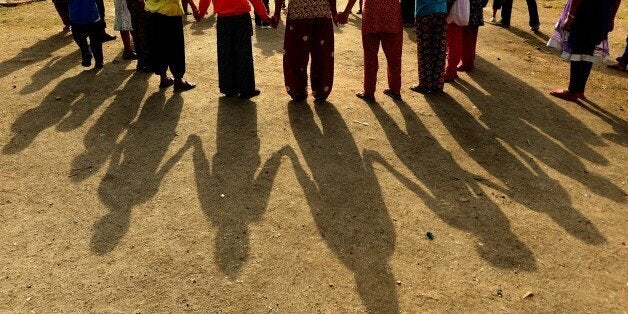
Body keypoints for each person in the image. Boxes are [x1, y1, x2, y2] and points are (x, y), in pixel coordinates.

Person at [196, 0, 273, 98]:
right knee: (244, 53)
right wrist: (264, 16)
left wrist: (201, 12)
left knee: (225, 54)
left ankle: (228, 88)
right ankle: (246, 89)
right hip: (241, 16)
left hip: (223, 19)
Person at [547, 0, 621, 101]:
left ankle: (572, 91)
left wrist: (570, 16)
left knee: (578, 49)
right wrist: (611, 18)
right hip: (602, 14)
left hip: (584, 13)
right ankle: (579, 90)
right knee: (588, 51)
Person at [272, 0, 337, 102]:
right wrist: (334, 12)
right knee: (322, 55)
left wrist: (276, 13)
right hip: (321, 12)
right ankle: (321, 91)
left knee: (296, 54)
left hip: (298, 12)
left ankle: (298, 91)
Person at [338, 0, 403, 101]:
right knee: (394, 55)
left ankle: (369, 92)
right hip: (392, 15)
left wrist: (346, 12)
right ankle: (395, 90)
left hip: (371, 15)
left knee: (370, 56)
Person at [145, 0, 197, 91]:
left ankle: (163, 78)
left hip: (152, 11)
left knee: (158, 46)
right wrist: (194, 7)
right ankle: (178, 80)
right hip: (170, 11)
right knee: (175, 47)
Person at [410, 0, 448, 94]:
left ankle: (425, 85)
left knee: (424, 50)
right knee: (439, 50)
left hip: (424, 11)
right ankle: (438, 85)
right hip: (441, 10)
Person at [445, 0, 488, 80]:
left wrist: (446, 9)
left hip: (459, 11)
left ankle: (453, 70)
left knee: (456, 42)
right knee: (462, 40)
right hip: (467, 10)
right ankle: (463, 64)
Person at [68, 0, 104, 68]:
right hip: (93, 14)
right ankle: (99, 62)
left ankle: (86, 52)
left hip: (77, 16)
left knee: (78, 36)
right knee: (96, 39)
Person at [126, 0, 151, 71]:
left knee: (137, 32)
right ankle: (146, 62)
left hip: (133, 4)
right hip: (138, 4)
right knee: (143, 32)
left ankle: (141, 62)